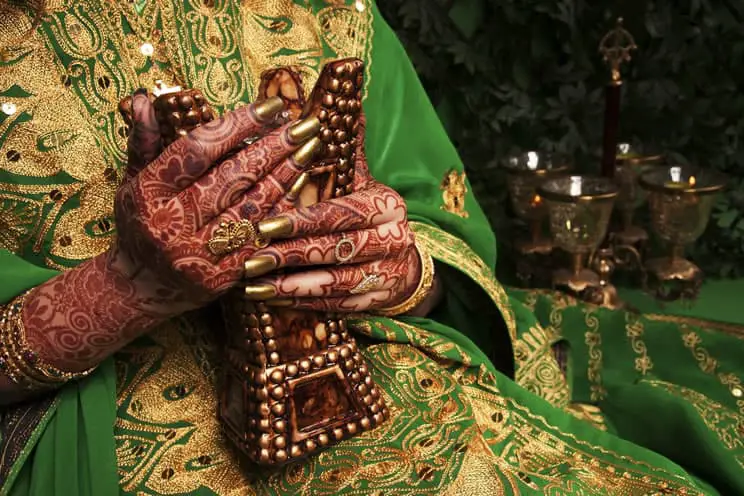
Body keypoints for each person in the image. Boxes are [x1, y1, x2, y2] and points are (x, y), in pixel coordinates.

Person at [0, 1, 742, 495]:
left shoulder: (329, 10)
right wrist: (118, 291)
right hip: (111, 440)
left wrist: (398, 269)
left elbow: (434, 212)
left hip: (376, 382)